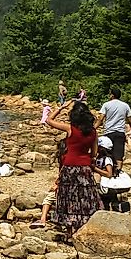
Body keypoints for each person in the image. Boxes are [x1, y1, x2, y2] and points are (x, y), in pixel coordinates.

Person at [44, 99, 103, 237]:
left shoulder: (70, 128)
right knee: (84, 197)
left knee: (68, 196)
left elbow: (48, 120)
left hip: (70, 166)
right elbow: (94, 153)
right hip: (85, 168)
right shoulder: (93, 132)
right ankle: (82, 227)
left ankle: (70, 229)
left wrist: (61, 107)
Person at [96, 87, 131, 171]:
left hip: (108, 133)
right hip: (120, 133)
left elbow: (100, 119)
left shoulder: (106, 105)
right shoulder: (125, 106)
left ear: (112, 95)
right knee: (119, 156)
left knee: (106, 154)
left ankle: (107, 172)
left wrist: (93, 128)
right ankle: (118, 173)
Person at [32, 138, 68, 228]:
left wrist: (57, 185)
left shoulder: (64, 159)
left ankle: (43, 219)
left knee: (47, 199)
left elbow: (63, 174)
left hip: (65, 187)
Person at [94, 136, 117, 210]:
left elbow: (109, 174)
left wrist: (95, 169)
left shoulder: (107, 159)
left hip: (104, 184)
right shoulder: (98, 158)